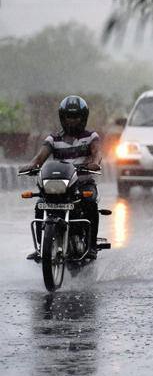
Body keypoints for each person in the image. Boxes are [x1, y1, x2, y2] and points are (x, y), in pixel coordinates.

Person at [21, 96, 102, 260]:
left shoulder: (91, 137)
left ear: (83, 117)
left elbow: (97, 154)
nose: (72, 121)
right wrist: (31, 166)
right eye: (68, 117)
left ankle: (91, 246)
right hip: (60, 185)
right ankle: (40, 248)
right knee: (40, 205)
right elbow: (39, 158)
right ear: (62, 117)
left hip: (82, 184)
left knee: (90, 203)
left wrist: (94, 163)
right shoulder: (53, 139)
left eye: (76, 117)